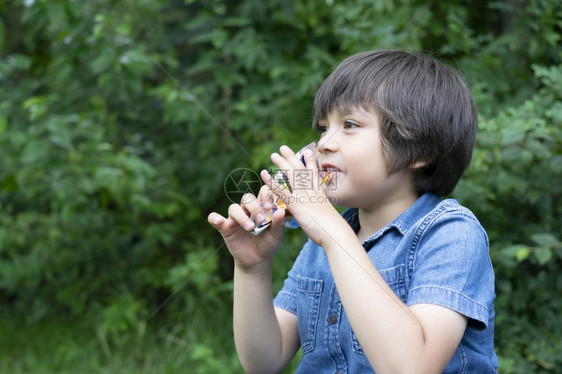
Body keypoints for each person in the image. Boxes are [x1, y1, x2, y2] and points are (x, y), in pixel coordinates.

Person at [208, 49, 497, 373]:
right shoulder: (324, 244)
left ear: (420, 151)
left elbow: (411, 367)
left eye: (349, 124)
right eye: (323, 128)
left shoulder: (451, 234)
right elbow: (263, 361)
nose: (324, 144)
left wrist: (332, 232)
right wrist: (253, 268)